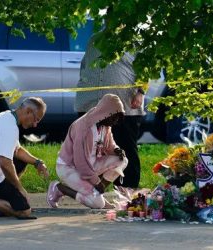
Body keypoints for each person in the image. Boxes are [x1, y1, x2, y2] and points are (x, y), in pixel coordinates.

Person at [75, 34, 145, 188]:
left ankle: (129, 190)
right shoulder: (94, 39)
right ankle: (90, 189)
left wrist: (141, 92)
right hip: (90, 103)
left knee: (125, 149)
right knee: (90, 148)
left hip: (124, 104)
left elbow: (146, 67)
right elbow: (84, 65)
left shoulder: (135, 41)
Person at [47, 94, 128, 209]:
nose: (116, 121)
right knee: (97, 204)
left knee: (122, 160)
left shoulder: (105, 125)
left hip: (90, 165)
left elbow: (110, 145)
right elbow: (80, 162)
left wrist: (116, 150)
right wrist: (96, 182)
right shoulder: (83, 127)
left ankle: (97, 193)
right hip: (69, 168)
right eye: (115, 117)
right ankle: (60, 189)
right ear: (106, 112)